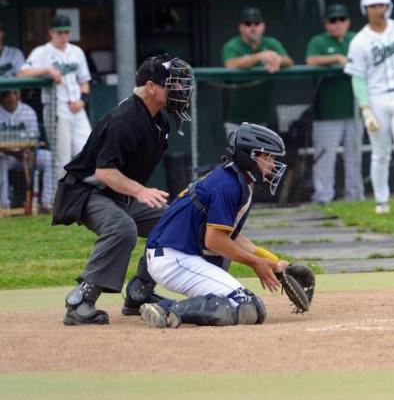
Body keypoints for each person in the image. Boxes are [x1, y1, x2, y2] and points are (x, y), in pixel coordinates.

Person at [57, 54, 193, 325]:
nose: (180, 91)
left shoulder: (158, 120)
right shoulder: (126, 118)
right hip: (87, 191)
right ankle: (81, 300)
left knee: (174, 224)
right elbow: (104, 172)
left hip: (119, 192)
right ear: (151, 86)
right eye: (173, 85)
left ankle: (140, 292)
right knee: (122, 228)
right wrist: (140, 191)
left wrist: (135, 192)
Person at [139, 123, 289, 329]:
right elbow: (215, 240)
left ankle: (167, 307)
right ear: (248, 156)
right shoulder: (228, 184)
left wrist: (272, 261)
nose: (272, 165)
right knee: (248, 305)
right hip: (174, 258)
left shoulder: (235, 179)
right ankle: (167, 309)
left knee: (247, 307)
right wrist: (255, 263)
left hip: (176, 254)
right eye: (267, 158)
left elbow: (231, 235)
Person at [344, 0, 394, 215]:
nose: (378, 9)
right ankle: (382, 201)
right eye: (373, 5)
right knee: (380, 153)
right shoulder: (359, 41)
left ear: (389, 5)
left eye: (382, 4)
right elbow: (357, 79)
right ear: (365, 8)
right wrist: (366, 109)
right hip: (377, 98)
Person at [19, 14, 92, 178]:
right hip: (56, 107)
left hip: (77, 108)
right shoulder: (42, 52)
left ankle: (82, 198)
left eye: (66, 32)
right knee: (63, 159)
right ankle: (61, 201)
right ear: (51, 32)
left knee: (88, 152)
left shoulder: (77, 51)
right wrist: (47, 70)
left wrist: (82, 100)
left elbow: (85, 81)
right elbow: (22, 73)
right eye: (60, 32)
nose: (63, 36)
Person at [305, 3, 363, 204]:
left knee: (354, 157)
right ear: (326, 24)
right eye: (333, 20)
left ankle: (354, 197)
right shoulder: (319, 41)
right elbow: (310, 61)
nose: (338, 24)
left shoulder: (356, 38)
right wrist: (336, 58)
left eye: (341, 19)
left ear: (347, 21)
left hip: (355, 111)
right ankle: (323, 197)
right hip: (327, 113)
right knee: (325, 158)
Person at [222, 7, 292, 135]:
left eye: (257, 23)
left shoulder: (271, 43)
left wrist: (276, 60)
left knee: (262, 155)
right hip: (236, 119)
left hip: (263, 119)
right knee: (238, 155)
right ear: (241, 27)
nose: (253, 27)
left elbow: (288, 61)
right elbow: (230, 64)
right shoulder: (232, 45)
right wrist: (260, 56)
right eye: (248, 24)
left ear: (263, 26)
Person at [0, 89, 54, 211]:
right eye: (7, 95)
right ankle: (3, 204)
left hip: (27, 154)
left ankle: (47, 202)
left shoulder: (27, 111)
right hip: (7, 156)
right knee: (1, 160)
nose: (11, 99)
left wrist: (29, 151)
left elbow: (34, 138)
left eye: (14, 94)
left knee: (47, 157)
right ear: (1, 98)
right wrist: (14, 153)